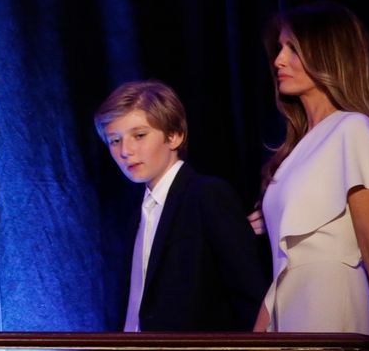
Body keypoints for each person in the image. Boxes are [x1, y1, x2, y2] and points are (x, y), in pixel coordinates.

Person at [253, 1, 369, 339]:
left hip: (332, 303)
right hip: (289, 308)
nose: (278, 60)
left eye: (292, 48)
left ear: (326, 54)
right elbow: (284, 263)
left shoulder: (353, 129)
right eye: (279, 48)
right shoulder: (292, 154)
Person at [94, 80, 267, 332]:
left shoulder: (206, 195)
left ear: (174, 136)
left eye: (139, 135)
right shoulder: (136, 214)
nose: (125, 150)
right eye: (114, 141)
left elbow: (248, 293)